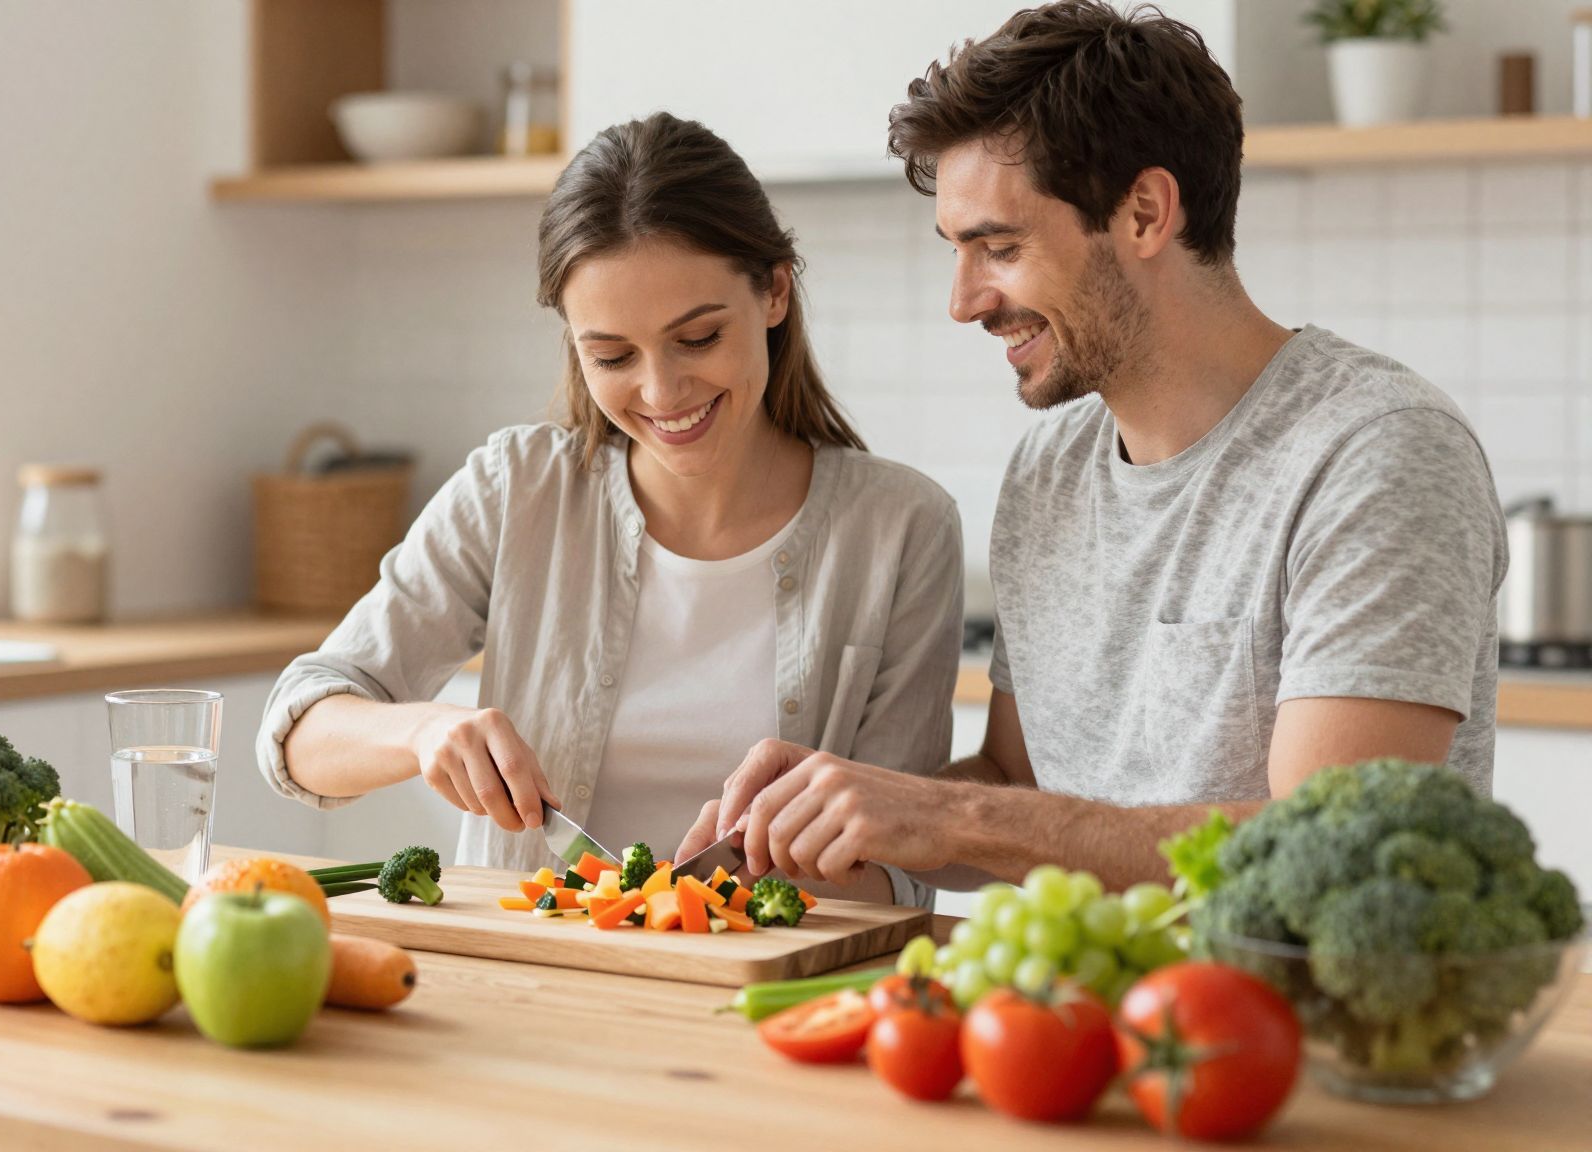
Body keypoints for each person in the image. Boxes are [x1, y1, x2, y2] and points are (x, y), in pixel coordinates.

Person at [678, 0, 1505, 894]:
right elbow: (1014, 783)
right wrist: (845, 808)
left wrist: (948, 815)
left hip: (1307, 1027)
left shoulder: (1374, 453)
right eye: (958, 251)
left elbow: (1334, 848)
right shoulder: (1052, 467)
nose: (964, 301)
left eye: (997, 247)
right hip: (1080, 1017)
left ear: (1145, 212)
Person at [256, 112, 963, 902]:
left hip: (768, 997)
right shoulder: (515, 490)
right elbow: (298, 730)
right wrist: (422, 732)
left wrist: (783, 878)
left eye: (696, 339)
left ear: (773, 291)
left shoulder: (903, 528)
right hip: (537, 985)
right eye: (613, 356)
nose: (662, 393)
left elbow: (906, 873)